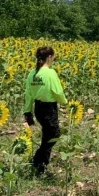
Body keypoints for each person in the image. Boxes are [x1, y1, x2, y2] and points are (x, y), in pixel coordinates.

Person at [24, 46, 68, 176]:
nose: (54, 59)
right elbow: (57, 91)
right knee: (53, 135)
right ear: (49, 57)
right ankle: (39, 163)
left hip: (38, 108)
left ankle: (40, 165)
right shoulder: (50, 73)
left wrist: (27, 112)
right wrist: (65, 102)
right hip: (49, 108)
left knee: (48, 135)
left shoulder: (32, 73)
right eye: (53, 57)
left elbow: (28, 94)